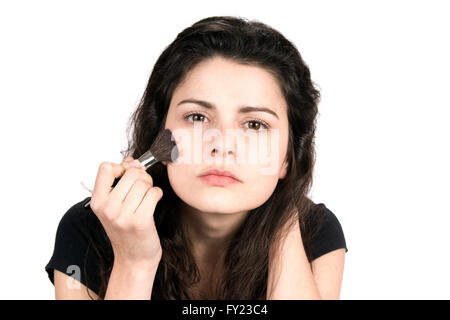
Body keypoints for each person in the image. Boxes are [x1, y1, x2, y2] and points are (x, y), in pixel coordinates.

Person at [45, 15, 348, 300]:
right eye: (197, 117)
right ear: (160, 135)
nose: (222, 146)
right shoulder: (87, 227)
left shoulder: (316, 231)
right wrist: (134, 262)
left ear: (288, 157)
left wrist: (284, 225)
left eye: (255, 124)